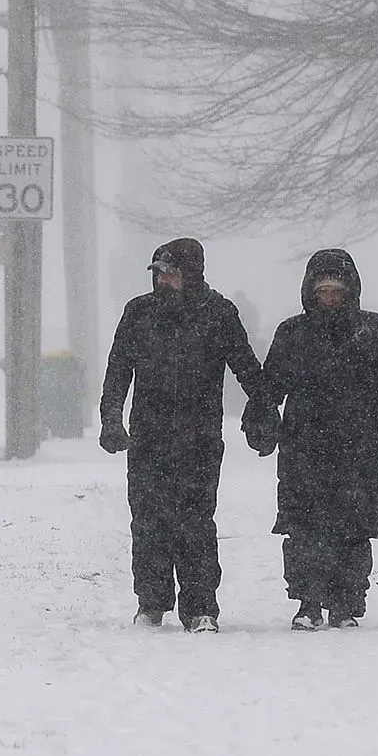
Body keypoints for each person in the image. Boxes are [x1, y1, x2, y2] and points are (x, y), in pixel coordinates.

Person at [100, 238, 270, 633]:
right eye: (159, 273)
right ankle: (151, 601)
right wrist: (111, 418)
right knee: (148, 521)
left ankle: (200, 606)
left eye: (171, 274)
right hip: (148, 437)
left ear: (192, 275)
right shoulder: (138, 314)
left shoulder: (219, 314)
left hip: (200, 438)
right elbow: (117, 372)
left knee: (196, 522)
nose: (163, 281)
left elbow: (246, 367)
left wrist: (263, 411)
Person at [252, 248, 378, 631]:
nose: (329, 297)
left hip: (359, 446)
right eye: (322, 290)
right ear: (311, 292)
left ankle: (345, 602)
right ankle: (308, 602)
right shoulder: (292, 333)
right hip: (304, 446)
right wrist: (261, 422)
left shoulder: (374, 331)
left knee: (354, 525)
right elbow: (270, 384)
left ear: (350, 292)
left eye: (337, 290)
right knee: (304, 527)